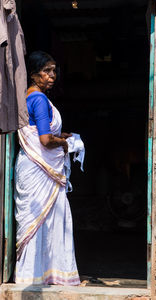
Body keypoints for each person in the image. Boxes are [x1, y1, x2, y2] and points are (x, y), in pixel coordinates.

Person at [14, 51, 80, 285]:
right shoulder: (40, 99)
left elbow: (39, 131)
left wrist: (58, 135)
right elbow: (43, 140)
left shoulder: (28, 96)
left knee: (37, 219)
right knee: (44, 219)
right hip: (38, 170)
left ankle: (33, 274)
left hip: (29, 166)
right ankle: (41, 276)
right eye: (46, 71)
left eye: (54, 71)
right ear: (33, 74)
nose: (52, 76)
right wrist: (64, 143)